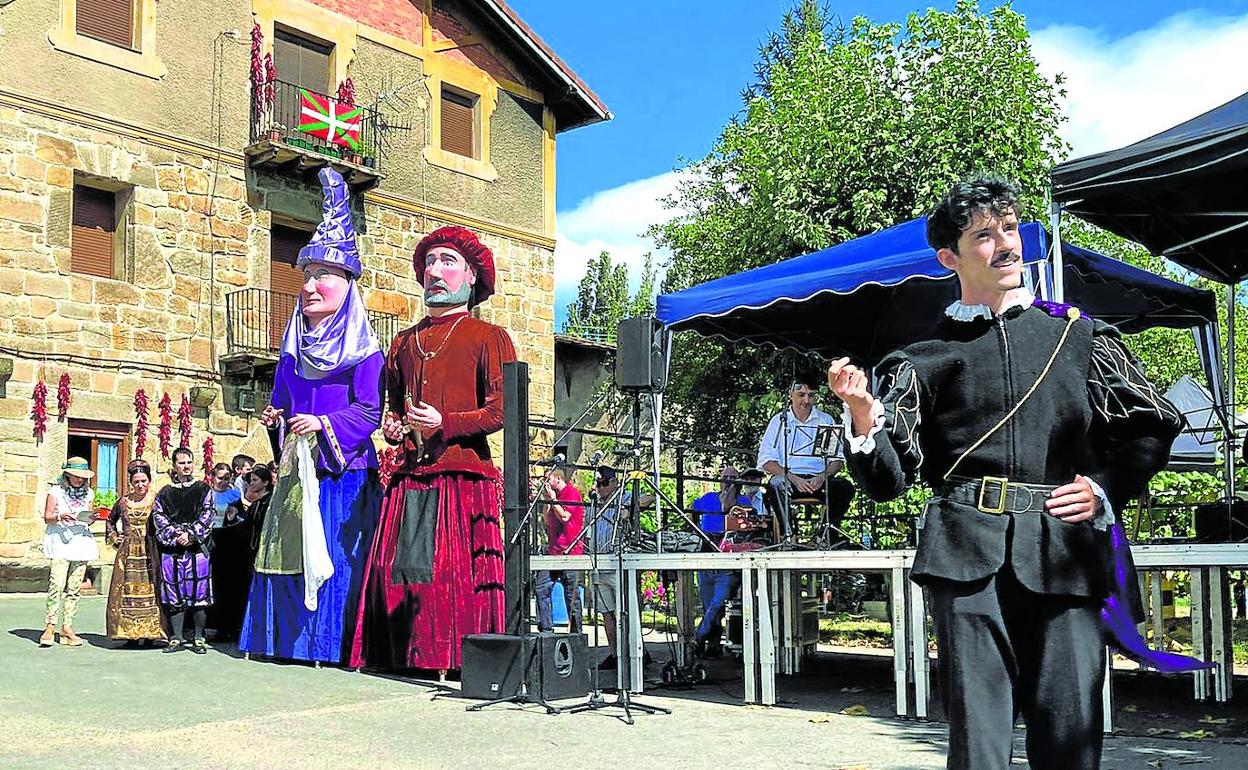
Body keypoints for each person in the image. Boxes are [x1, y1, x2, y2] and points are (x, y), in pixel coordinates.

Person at [828, 174, 1184, 770]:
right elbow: (889, 481)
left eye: (1010, 229)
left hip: (1064, 551)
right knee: (980, 743)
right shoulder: (920, 359)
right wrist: (864, 417)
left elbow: (1152, 426)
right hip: (965, 555)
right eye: (984, 236)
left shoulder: (1079, 335)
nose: (1005, 245)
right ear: (950, 258)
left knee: (1071, 736)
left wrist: (1103, 489)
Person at [350, 225, 516, 672]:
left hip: (463, 475)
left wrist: (447, 423)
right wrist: (393, 426)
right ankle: (402, 655)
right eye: (429, 262)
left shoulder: (489, 336)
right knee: (397, 569)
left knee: (450, 572)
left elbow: (503, 411)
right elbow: (393, 407)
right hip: (411, 475)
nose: (434, 271)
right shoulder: (403, 341)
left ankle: (459, 658)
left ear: (471, 277)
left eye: (447, 262)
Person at [241, 167, 384, 666]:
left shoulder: (365, 351)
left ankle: (327, 646)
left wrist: (323, 424)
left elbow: (369, 411)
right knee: (286, 556)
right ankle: (283, 644)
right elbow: (283, 404)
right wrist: (276, 420)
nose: (310, 285)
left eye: (323, 275)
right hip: (296, 471)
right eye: (306, 276)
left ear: (347, 284)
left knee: (335, 559)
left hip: (343, 474)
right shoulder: (291, 350)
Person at [758, 379, 853, 542]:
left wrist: (822, 476)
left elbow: (837, 459)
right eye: (801, 395)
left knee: (844, 488)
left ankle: (824, 536)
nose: (806, 400)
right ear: (791, 395)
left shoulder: (826, 420)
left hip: (818, 479)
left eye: (811, 395)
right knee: (775, 484)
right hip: (789, 478)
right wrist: (793, 478)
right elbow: (766, 461)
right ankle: (789, 536)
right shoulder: (779, 421)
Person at [152, 447, 214, 655]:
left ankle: (199, 638)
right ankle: (176, 637)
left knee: (199, 594)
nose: (186, 466)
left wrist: (191, 535)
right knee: (173, 593)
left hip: (197, 550)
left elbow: (208, 514)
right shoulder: (164, 493)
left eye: (189, 462)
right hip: (172, 550)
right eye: (181, 463)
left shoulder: (203, 489)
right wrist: (177, 534)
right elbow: (159, 517)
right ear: (174, 466)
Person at [689, 466, 752, 657]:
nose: (729, 481)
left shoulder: (744, 501)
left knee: (718, 603)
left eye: (733, 477)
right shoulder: (708, 498)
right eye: (725, 477)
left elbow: (737, 519)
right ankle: (713, 645)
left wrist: (728, 500)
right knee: (708, 604)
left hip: (728, 558)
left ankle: (699, 636)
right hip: (706, 554)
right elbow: (692, 511)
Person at [105, 460, 168, 645]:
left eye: (143, 481)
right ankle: (129, 634)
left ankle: (150, 634)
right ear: (131, 483)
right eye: (136, 482)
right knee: (127, 592)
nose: (140, 485)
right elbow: (110, 521)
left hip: (150, 551)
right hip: (128, 553)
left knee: (151, 590)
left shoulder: (157, 500)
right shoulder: (124, 502)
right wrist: (115, 538)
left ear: (149, 480)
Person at [39, 457, 100, 647]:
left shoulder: (89, 493)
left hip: (81, 542)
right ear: (67, 475)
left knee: (74, 588)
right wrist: (59, 516)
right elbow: (47, 517)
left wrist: (92, 518)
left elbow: (87, 519)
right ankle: (50, 626)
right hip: (60, 542)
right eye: (76, 476)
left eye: (82, 477)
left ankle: (67, 627)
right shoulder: (55, 492)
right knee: (56, 585)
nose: (79, 479)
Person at [209, 466, 272, 643]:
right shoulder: (257, 503)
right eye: (250, 481)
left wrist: (227, 526)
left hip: (249, 552)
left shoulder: (265, 502)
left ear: (265, 482)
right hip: (232, 550)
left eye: (254, 480)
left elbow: (248, 527)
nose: (250, 484)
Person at [535, 466, 585, 635]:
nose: (546, 483)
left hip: (570, 552)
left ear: (558, 479)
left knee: (571, 595)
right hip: (553, 551)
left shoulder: (572, 493)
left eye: (548, 479)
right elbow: (547, 521)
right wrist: (548, 501)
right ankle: (546, 628)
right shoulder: (553, 496)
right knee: (542, 588)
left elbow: (565, 517)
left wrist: (554, 499)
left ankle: (576, 632)